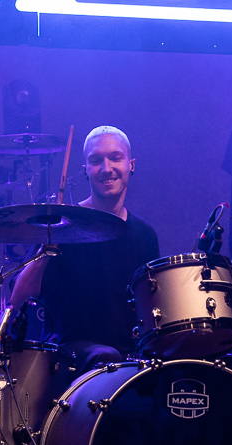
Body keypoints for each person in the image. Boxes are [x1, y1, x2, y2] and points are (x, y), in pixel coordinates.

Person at [10, 125, 160, 375]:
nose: (106, 168)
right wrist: (45, 250)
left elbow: (154, 308)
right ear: (85, 170)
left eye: (115, 157)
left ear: (131, 165)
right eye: (96, 160)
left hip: (130, 356)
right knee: (105, 356)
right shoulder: (63, 226)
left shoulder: (145, 235)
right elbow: (18, 299)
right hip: (70, 355)